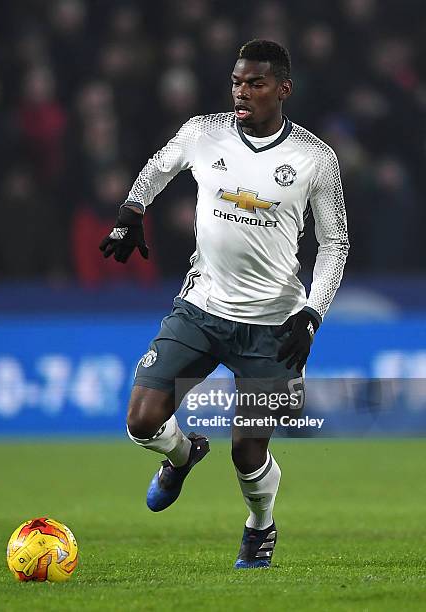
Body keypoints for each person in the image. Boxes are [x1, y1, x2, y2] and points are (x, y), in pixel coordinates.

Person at [99, 40, 349, 569]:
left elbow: (335, 243)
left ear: (283, 89)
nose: (243, 92)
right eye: (237, 81)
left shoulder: (314, 159)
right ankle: (183, 452)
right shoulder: (201, 132)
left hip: (272, 325)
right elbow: (156, 168)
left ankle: (260, 525)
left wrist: (313, 312)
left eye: (256, 84)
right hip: (201, 308)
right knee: (142, 422)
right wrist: (131, 209)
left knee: (247, 452)